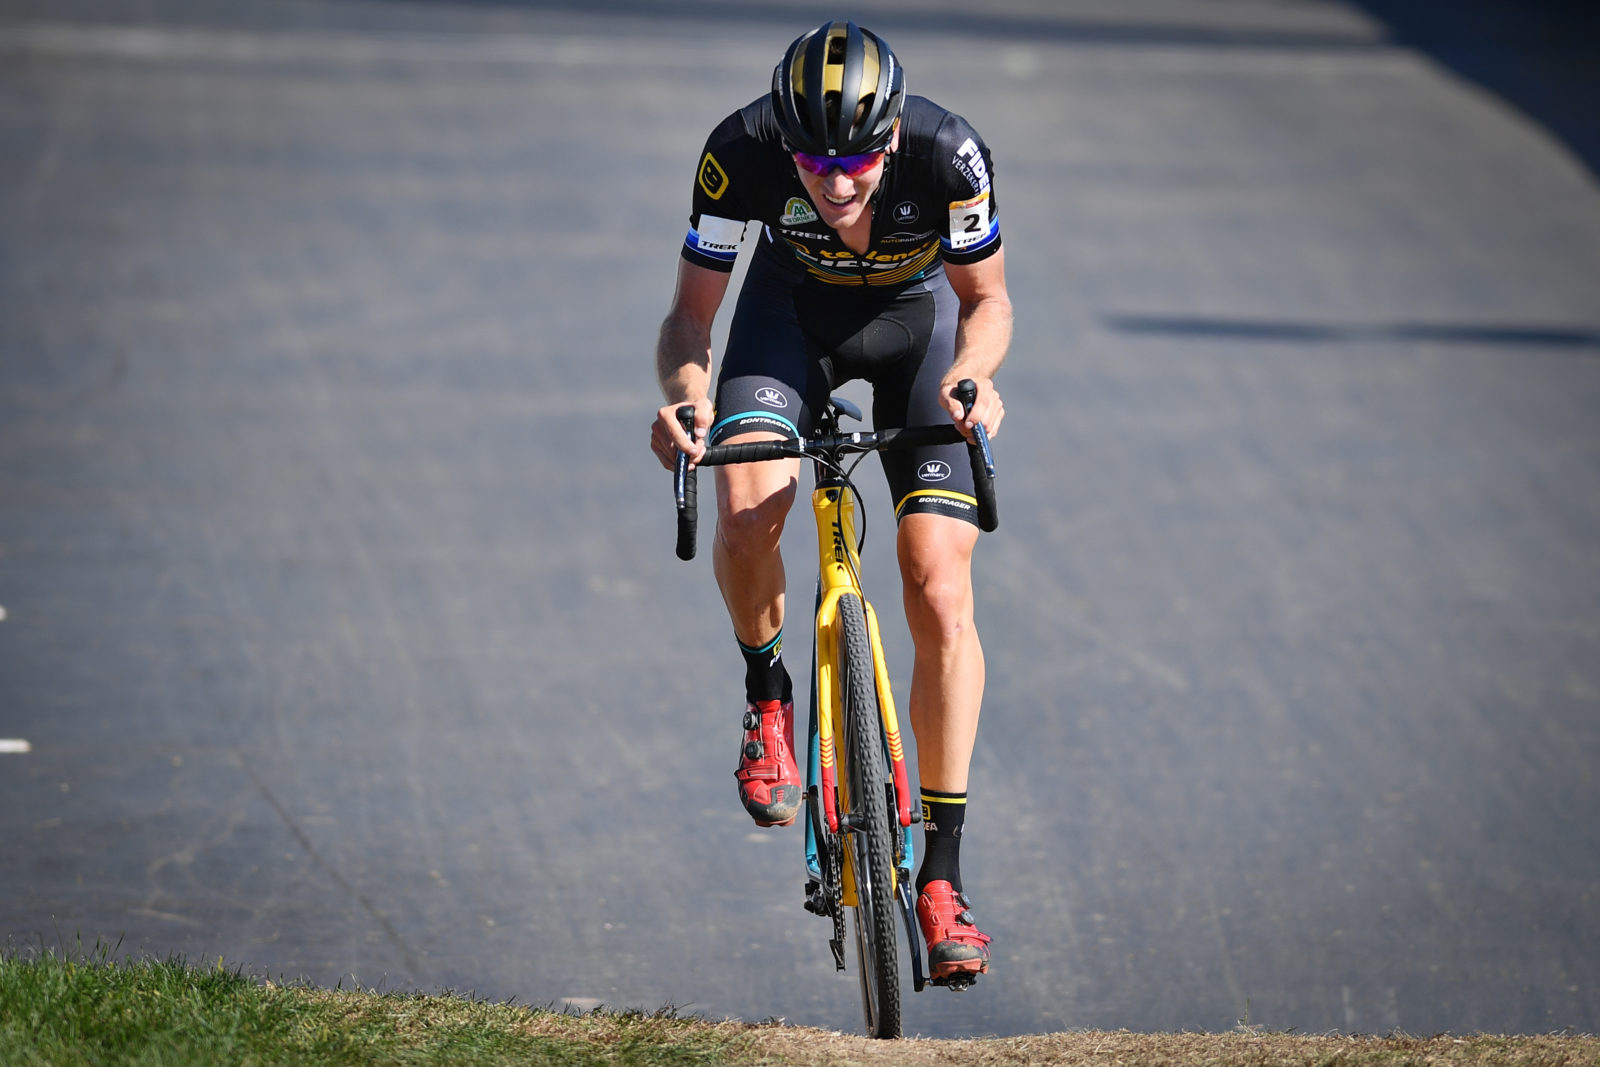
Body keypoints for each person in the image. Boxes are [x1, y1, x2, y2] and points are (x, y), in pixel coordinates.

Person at [649, 20, 1010, 985]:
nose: (835, 183)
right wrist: (687, 395)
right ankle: (768, 694)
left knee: (937, 585)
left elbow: (987, 301)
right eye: (814, 162)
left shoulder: (949, 152)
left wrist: (975, 376)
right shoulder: (739, 152)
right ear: (786, 143)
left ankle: (942, 875)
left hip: (916, 328)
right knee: (745, 509)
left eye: (854, 161)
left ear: (891, 138)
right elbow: (690, 317)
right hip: (789, 321)